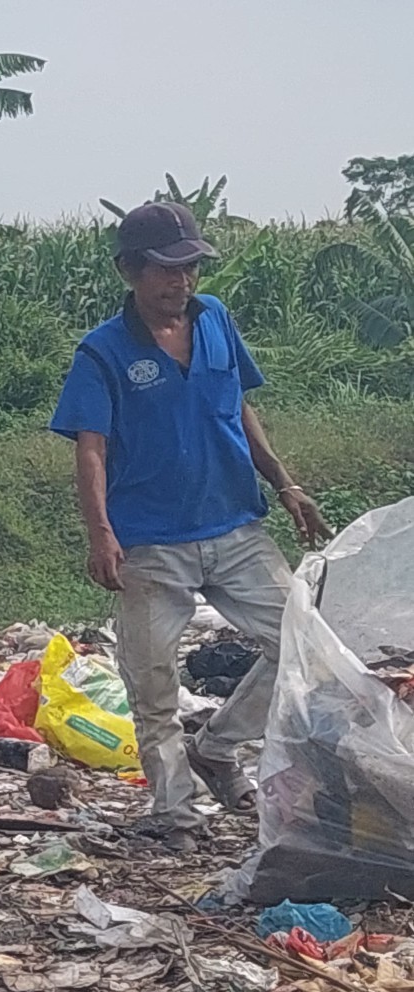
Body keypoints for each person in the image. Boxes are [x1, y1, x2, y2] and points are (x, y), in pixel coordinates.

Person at [49, 201, 332, 852]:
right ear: (129, 270)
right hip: (150, 538)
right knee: (151, 683)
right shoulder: (103, 352)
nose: (180, 282)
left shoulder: (215, 322)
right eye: (165, 271)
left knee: (300, 642)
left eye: (189, 268)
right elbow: (89, 447)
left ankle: (218, 747)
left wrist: (283, 484)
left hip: (234, 524)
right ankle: (173, 813)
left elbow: (238, 405)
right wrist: (100, 533)